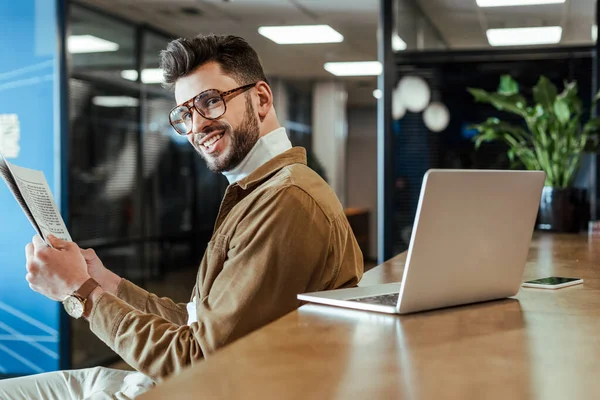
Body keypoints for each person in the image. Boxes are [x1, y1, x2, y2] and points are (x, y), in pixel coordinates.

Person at [0, 34, 363, 399]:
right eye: (185, 114)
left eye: (211, 101)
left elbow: (199, 360)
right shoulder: (260, 191)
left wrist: (79, 291)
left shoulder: (286, 201)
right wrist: (104, 281)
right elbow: (197, 323)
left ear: (262, 99)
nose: (197, 126)